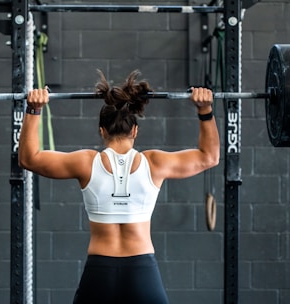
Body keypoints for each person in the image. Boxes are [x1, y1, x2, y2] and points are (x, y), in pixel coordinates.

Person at [19, 70, 220, 304]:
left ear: (101, 130)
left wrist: (34, 110)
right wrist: (205, 110)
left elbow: (29, 159)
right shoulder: (155, 163)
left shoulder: (85, 163)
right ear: (135, 130)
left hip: (99, 273)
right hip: (142, 271)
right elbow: (209, 157)